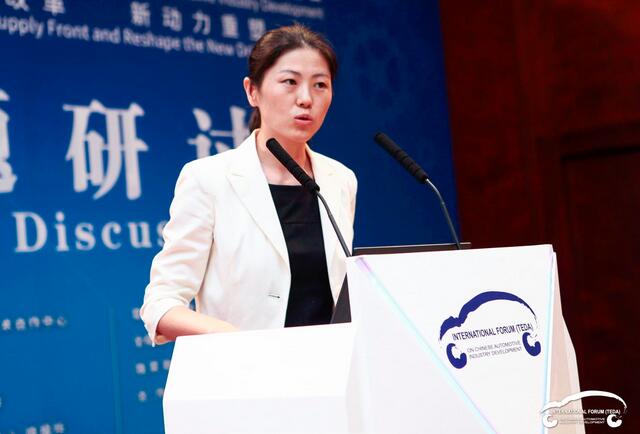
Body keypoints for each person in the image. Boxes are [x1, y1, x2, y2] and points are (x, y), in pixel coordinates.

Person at [140, 24, 357, 345]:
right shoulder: (208, 179)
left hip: (331, 365)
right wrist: (236, 339)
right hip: (245, 367)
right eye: (290, 82)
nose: (306, 99)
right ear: (252, 91)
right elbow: (160, 304)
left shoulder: (340, 179)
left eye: (320, 85)